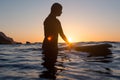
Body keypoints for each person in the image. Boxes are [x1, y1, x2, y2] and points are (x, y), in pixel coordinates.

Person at [41, 3, 70, 73]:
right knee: (49, 69)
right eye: (60, 10)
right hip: (48, 48)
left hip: (53, 48)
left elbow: (62, 34)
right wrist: (52, 47)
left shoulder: (57, 21)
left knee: (52, 71)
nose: (61, 12)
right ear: (55, 10)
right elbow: (47, 36)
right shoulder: (48, 20)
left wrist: (69, 43)